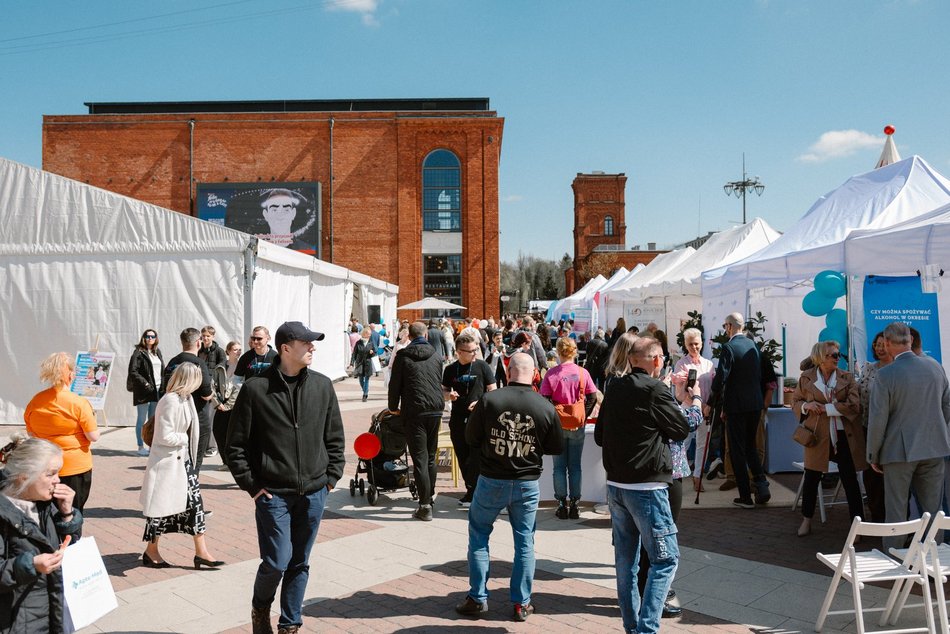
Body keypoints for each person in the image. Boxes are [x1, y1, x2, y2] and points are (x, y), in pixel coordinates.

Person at [227, 321, 345, 634]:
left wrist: (330, 479)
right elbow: (235, 446)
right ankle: (260, 607)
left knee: (299, 562)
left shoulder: (322, 386)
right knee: (277, 562)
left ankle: (290, 625)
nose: (312, 347)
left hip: (314, 491)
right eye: (306, 343)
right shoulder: (256, 389)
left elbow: (335, 437)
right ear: (285, 349)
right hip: (272, 494)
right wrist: (252, 486)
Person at [454, 353, 564, 622]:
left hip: (492, 478)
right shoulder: (544, 406)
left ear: (507, 370)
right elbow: (555, 446)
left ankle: (477, 598)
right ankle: (521, 603)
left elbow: (471, 437)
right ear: (535, 373)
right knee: (525, 541)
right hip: (526, 481)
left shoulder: (490, 400)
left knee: (479, 535)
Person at [595, 336, 690, 634]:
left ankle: (633, 626)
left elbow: (599, 435)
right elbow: (681, 428)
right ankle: (646, 628)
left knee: (626, 563)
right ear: (656, 360)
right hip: (646, 488)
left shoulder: (615, 387)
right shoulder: (654, 389)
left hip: (618, 485)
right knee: (666, 559)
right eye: (661, 357)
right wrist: (695, 401)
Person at [867, 321, 950, 551]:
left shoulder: (885, 375)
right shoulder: (935, 367)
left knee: (896, 510)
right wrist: (935, 429)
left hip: (898, 452)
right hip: (934, 448)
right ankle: (933, 557)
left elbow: (878, 420)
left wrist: (873, 454)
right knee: (933, 510)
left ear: (887, 343)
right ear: (910, 340)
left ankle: (894, 557)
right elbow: (947, 406)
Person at [140, 363, 223, 569]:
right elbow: (164, 436)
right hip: (168, 464)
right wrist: (184, 439)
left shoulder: (185, 398)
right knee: (160, 510)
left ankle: (201, 552)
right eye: (197, 379)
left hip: (182, 463)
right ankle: (151, 551)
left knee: (195, 507)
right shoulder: (170, 400)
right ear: (189, 380)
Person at [0, 434, 83, 633]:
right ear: (24, 476)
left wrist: (67, 515)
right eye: (50, 474)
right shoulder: (4, 513)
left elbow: (67, 544)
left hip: (49, 611)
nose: (58, 480)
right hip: (16, 621)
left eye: (58, 472)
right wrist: (31, 564)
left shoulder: (44, 503)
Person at [791, 341, 864, 537]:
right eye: (833, 355)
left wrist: (828, 408)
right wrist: (807, 406)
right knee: (811, 477)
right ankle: (806, 520)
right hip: (817, 435)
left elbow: (855, 405)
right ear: (820, 358)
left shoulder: (847, 377)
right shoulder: (806, 377)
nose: (837, 358)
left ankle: (857, 526)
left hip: (843, 436)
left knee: (850, 480)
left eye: (838, 354)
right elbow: (795, 401)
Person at [24, 352, 100, 513]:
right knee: (72, 513)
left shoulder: (36, 401)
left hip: (44, 466)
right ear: (71, 375)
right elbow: (93, 436)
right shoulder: (79, 403)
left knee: (46, 514)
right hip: (74, 467)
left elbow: (31, 433)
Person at [710, 312, 770, 509]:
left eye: (725, 326)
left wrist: (711, 401)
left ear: (729, 326)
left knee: (737, 451)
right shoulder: (753, 345)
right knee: (750, 446)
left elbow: (721, 377)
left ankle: (745, 496)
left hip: (737, 406)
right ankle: (761, 485)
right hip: (755, 403)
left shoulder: (729, 347)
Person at [388, 321, 445, 521]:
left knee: (420, 458)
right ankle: (429, 497)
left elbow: (395, 385)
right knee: (430, 456)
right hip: (435, 408)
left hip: (414, 410)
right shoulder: (436, 355)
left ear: (409, 336)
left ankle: (425, 505)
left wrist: (393, 406)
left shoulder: (403, 356)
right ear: (426, 335)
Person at [540, 337, 599, 519]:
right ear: (574, 352)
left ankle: (561, 504)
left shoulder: (551, 374)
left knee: (559, 467)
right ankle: (575, 503)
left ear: (558, 352)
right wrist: (583, 416)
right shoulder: (582, 373)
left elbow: (544, 399)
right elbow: (592, 397)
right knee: (575, 466)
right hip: (577, 425)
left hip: (558, 425)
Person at [443, 333, 497, 507]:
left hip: (478, 419)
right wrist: (449, 395)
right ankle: (470, 490)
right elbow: (443, 391)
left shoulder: (482, 366)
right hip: (458, 418)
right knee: (462, 455)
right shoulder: (450, 369)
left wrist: (481, 402)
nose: (475, 353)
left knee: (476, 456)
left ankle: (476, 492)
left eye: (476, 349)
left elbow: (493, 390)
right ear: (459, 352)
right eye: (471, 351)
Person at [162, 328, 214, 472]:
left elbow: (165, 388)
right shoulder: (198, 363)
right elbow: (206, 393)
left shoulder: (173, 362)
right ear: (198, 343)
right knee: (194, 460)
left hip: (176, 417)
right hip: (196, 417)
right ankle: (191, 483)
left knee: (176, 459)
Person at [672, 328, 715, 492]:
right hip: (688, 409)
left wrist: (708, 406)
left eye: (696, 344)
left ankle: (698, 476)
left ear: (702, 343)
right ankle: (677, 475)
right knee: (684, 442)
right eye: (690, 344)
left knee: (703, 444)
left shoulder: (709, 364)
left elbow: (713, 389)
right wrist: (699, 405)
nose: (694, 347)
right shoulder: (681, 364)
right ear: (685, 345)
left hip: (706, 411)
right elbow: (681, 393)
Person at [856, 331, 891, 522]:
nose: (879, 348)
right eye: (877, 345)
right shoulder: (869, 368)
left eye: (883, 345)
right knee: (871, 476)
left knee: (892, 476)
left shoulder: (898, 370)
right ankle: (877, 517)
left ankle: (897, 521)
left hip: (891, 432)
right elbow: (859, 393)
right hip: (867, 428)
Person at [128, 329, 164, 456]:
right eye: (147, 336)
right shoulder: (138, 352)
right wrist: (146, 384)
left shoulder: (157, 352)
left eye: (152, 336)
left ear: (156, 338)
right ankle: (140, 446)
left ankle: (151, 445)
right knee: (141, 419)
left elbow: (162, 370)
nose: (150, 338)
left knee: (152, 420)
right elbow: (133, 371)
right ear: (144, 338)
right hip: (144, 391)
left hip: (157, 390)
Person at [211, 341, 243, 468]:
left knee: (234, 434)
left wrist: (228, 405)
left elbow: (240, 387)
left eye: (239, 349)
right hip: (221, 403)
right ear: (228, 351)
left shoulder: (242, 366)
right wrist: (217, 403)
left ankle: (234, 462)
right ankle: (226, 461)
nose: (238, 352)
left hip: (236, 404)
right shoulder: (220, 367)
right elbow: (212, 385)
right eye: (235, 349)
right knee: (218, 430)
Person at [198, 326, 228, 457]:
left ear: (213, 336)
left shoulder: (219, 351)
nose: (205, 338)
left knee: (211, 419)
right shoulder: (199, 350)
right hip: (199, 388)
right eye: (203, 336)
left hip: (213, 390)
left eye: (208, 336)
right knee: (202, 418)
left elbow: (222, 370)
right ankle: (203, 445)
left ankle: (212, 447)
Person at [258, 188, 316, 253]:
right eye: (274, 210)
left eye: (286, 210)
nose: (280, 216)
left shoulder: (307, 250)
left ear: (293, 213)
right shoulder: (257, 250)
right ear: (266, 214)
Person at [350, 327, 376, 402]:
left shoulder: (371, 343)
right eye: (368, 334)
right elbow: (354, 353)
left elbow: (374, 353)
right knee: (361, 380)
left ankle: (365, 394)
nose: (369, 335)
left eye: (370, 334)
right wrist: (352, 363)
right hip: (360, 363)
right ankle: (365, 390)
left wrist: (372, 353)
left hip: (367, 363)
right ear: (364, 334)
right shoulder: (358, 343)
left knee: (367, 379)